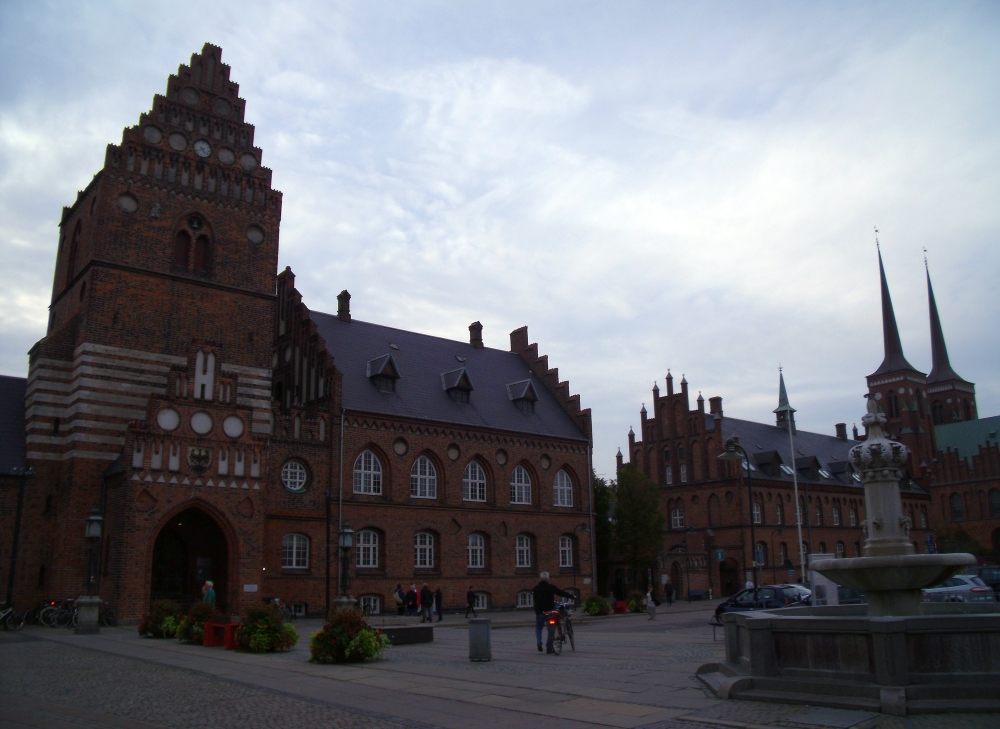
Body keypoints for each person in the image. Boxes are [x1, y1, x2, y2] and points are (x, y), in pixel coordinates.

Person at [532, 572, 572, 654]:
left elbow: (535, 600)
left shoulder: (536, 588)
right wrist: (572, 596)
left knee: (538, 627)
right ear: (548, 578)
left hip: (539, 611)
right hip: (550, 611)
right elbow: (561, 593)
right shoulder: (551, 587)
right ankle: (549, 647)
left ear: (540, 578)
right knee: (551, 629)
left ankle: (539, 642)